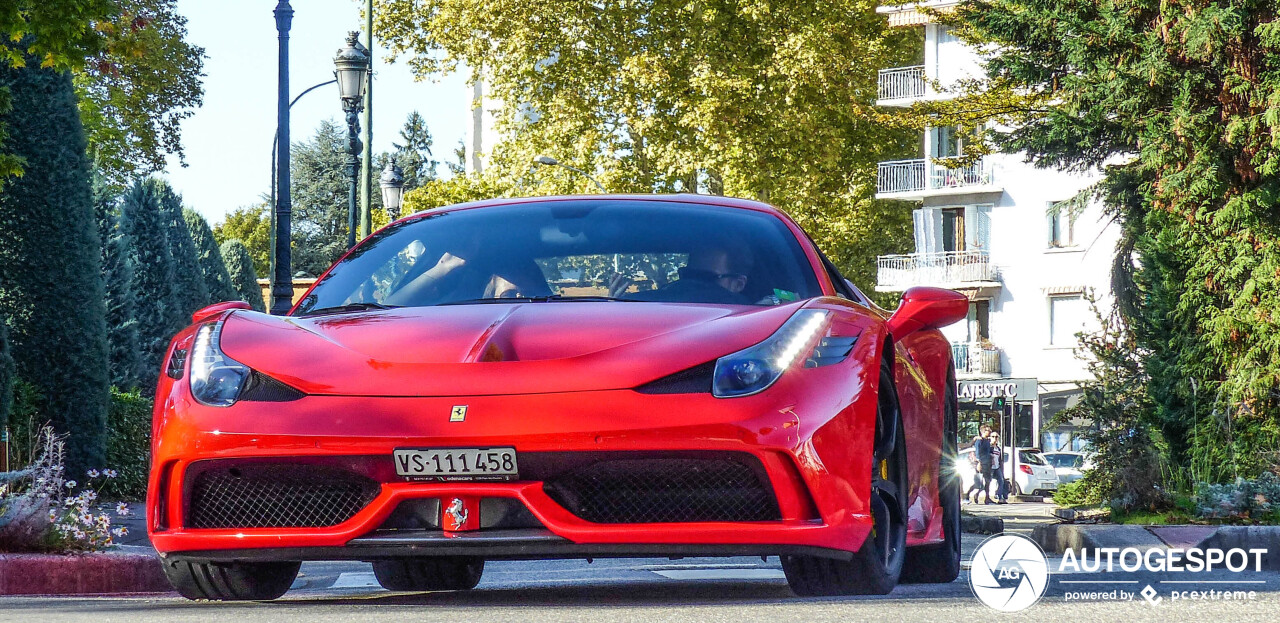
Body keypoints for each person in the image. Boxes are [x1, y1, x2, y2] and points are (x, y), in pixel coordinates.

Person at [627, 240, 754, 304]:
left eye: (706, 279)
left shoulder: (763, 325)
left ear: (738, 284)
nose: (691, 285)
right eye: (688, 276)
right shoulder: (635, 305)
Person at [974, 424, 994, 504]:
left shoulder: (988, 441)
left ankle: (987, 497)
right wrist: (979, 463)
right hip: (982, 463)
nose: (989, 432)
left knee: (988, 481)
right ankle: (976, 494)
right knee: (981, 482)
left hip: (988, 463)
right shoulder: (980, 440)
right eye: (988, 431)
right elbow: (978, 452)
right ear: (983, 431)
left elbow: (989, 451)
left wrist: (991, 458)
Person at [965, 435, 985, 504]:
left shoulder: (978, 448)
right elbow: (973, 459)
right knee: (979, 483)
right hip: (975, 467)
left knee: (981, 484)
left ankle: (973, 495)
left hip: (980, 465)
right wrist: (978, 463)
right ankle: (968, 495)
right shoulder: (972, 450)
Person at [991, 432, 1009, 504]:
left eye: (996, 437)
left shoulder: (998, 448)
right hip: (990, 467)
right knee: (986, 483)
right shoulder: (989, 447)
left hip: (997, 467)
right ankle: (977, 494)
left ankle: (999, 496)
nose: (995, 438)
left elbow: (1000, 459)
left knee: (1001, 481)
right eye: (993, 436)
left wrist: (1001, 467)